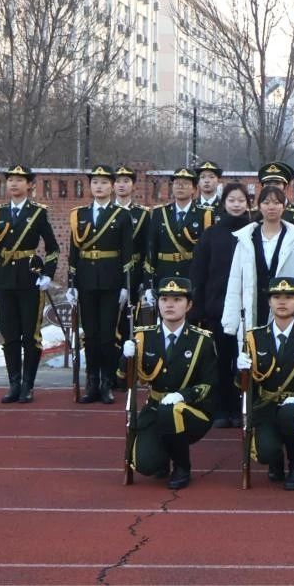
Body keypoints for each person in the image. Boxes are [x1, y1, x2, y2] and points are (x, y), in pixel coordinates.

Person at [120, 277, 217, 490]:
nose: (169, 305)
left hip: (191, 410)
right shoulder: (143, 337)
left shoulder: (202, 340)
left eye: (177, 299)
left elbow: (209, 384)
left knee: (171, 411)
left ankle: (182, 467)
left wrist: (183, 396)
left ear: (189, 305)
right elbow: (122, 379)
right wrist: (126, 358)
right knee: (145, 465)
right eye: (164, 299)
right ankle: (163, 455)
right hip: (155, 407)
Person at [236, 277, 294, 490]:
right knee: (265, 453)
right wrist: (240, 370)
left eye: (289, 297)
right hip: (266, 408)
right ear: (269, 302)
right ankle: (275, 459)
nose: (282, 301)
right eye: (276, 296)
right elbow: (243, 386)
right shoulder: (254, 338)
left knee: (290, 416)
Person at [0, 164, 59, 404]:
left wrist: (47, 274)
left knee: (30, 335)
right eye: (10, 179)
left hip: (29, 278)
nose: (14, 183)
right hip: (4, 279)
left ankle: (28, 385)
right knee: (9, 335)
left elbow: (53, 248)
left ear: (29, 185)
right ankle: (14, 384)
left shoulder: (37, 213)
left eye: (19, 180)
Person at [68, 165, 135, 404]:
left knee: (107, 335)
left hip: (111, 281)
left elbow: (127, 252)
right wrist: (71, 283)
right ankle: (92, 383)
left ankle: (107, 382)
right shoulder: (79, 215)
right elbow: (73, 251)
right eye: (95, 182)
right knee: (90, 335)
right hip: (86, 280)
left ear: (112, 186)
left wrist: (126, 286)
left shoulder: (122, 215)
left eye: (104, 182)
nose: (99, 186)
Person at [190, 183, 251, 428]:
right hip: (218, 306)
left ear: (248, 203)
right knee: (223, 360)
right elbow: (199, 272)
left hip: (247, 308)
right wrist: (198, 308)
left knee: (244, 359)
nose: (236, 204)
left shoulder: (254, 231)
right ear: (224, 203)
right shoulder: (212, 234)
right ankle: (223, 408)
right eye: (231, 200)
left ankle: (244, 407)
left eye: (241, 200)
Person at [222, 186, 294, 335]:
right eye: (266, 202)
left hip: (285, 309)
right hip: (254, 308)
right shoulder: (245, 238)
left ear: (284, 207)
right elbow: (235, 282)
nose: (271, 207)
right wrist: (230, 323)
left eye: (277, 203)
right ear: (259, 206)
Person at [142, 167, 213, 301]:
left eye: (185, 184)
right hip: (165, 274)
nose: (180, 186)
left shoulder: (205, 215)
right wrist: (148, 284)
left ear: (194, 189)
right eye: (177, 183)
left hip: (192, 275)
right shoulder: (159, 213)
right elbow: (151, 249)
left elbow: (208, 251)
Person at [113, 165, 152, 356]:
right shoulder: (106, 211)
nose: (122, 185)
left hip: (133, 273)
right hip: (109, 269)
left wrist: (145, 278)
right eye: (118, 181)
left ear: (133, 185)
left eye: (126, 181)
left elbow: (146, 248)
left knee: (129, 320)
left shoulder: (142, 214)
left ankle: (127, 363)